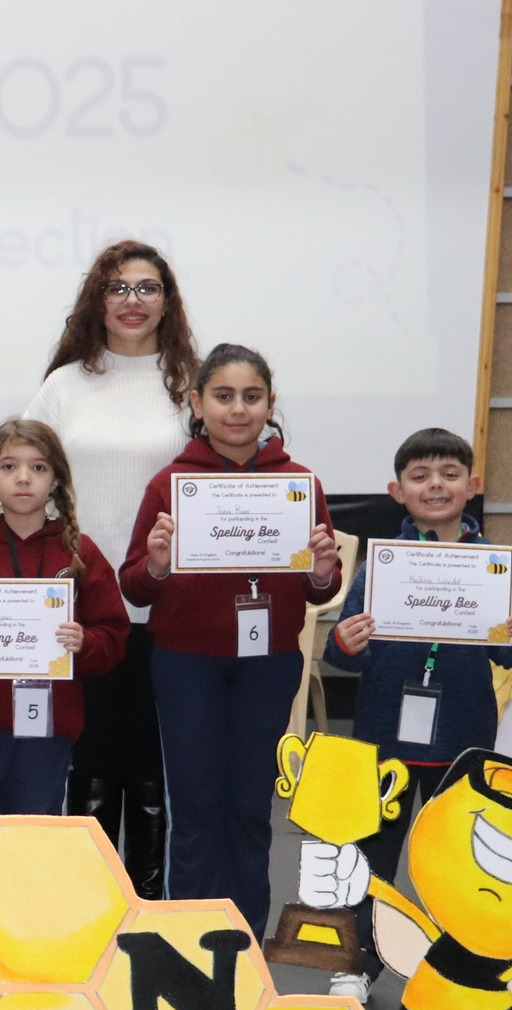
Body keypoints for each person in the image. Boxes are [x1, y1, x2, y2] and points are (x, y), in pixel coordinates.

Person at [118, 343, 343, 938]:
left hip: (268, 665)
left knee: (249, 807)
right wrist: (159, 563)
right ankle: (188, 939)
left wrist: (322, 570)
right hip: (186, 665)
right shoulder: (170, 484)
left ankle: (243, 941)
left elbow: (320, 586)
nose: (238, 409)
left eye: (251, 396)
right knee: (194, 808)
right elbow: (134, 585)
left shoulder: (299, 484)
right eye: (223, 396)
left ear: (270, 403)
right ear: (197, 403)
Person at [322, 427, 512, 1002]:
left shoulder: (494, 567)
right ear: (396, 491)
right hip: (385, 738)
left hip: (463, 738)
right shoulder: (380, 565)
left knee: (459, 862)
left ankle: (458, 969)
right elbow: (342, 655)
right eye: (420, 475)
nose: (435, 485)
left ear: (472, 486)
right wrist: (344, 644)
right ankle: (357, 964)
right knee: (372, 857)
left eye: (450, 475)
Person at [23, 241, 198, 899]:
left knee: (152, 768)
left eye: (146, 287)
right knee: (89, 763)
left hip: (169, 609)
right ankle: (89, 905)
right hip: (83, 609)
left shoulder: (193, 385)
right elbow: (25, 478)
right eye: (117, 287)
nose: (132, 301)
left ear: (167, 301)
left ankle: (147, 910)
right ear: (97, 300)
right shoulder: (64, 385)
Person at [0, 419, 131, 869]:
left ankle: (30, 919)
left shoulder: (80, 554)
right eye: (9, 466)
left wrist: (84, 642)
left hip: (48, 729)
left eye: (38, 467)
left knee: (36, 849)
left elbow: (113, 638)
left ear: (55, 480)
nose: (22, 478)